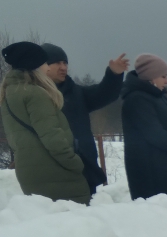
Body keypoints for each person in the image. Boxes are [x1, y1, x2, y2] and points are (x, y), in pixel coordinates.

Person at [0, 41, 91, 204]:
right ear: (34, 66)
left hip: (29, 171)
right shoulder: (35, 94)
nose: (48, 68)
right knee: (75, 224)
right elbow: (52, 136)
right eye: (44, 64)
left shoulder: (9, 93)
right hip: (54, 172)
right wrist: (75, 162)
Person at [41, 43, 129, 195]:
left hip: (84, 167)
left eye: (65, 63)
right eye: (57, 63)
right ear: (44, 66)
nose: (63, 67)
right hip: (52, 169)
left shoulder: (75, 93)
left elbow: (104, 94)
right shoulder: (36, 96)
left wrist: (113, 75)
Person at [121, 54, 167, 200]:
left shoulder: (158, 95)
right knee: (158, 213)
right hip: (148, 170)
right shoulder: (137, 99)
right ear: (151, 77)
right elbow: (153, 133)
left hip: (162, 164)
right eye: (163, 76)